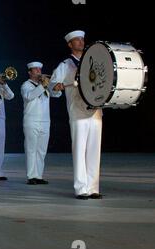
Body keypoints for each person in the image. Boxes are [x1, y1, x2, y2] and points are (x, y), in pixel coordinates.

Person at [49, 30, 103, 200]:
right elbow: (53, 85)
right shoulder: (65, 65)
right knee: (79, 149)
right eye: (76, 40)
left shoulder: (92, 61)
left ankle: (93, 187)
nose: (80, 42)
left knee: (94, 150)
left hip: (95, 110)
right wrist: (57, 86)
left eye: (82, 39)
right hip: (77, 110)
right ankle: (81, 188)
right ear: (69, 44)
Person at [21, 61, 61, 185]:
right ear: (30, 72)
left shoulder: (45, 85)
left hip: (45, 121)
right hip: (31, 121)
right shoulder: (26, 85)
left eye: (39, 69)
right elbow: (29, 96)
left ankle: (38, 175)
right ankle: (31, 176)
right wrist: (43, 86)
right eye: (36, 69)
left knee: (41, 150)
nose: (39, 71)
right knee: (31, 149)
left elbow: (57, 94)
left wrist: (56, 87)